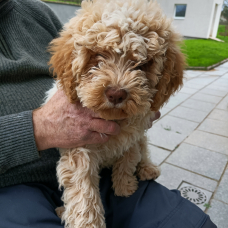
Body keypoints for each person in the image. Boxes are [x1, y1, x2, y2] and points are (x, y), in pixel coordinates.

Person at [0, 0, 216, 227]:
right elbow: (67, 70)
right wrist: (39, 127)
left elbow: (72, 64)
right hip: (12, 186)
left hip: (102, 168)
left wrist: (138, 116)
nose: (118, 84)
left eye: (139, 65)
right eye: (99, 58)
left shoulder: (35, 11)